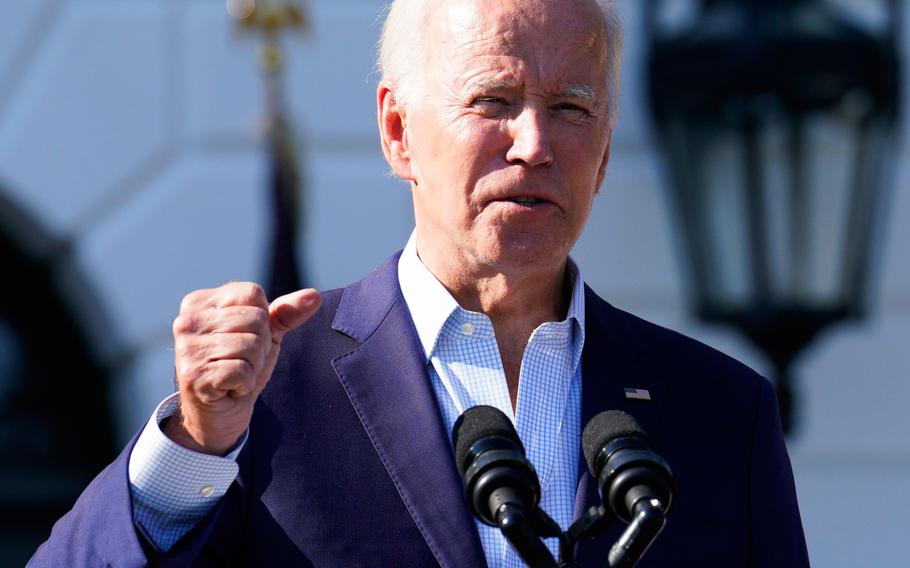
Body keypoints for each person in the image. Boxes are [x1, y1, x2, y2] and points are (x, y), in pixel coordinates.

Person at [29, 0, 810, 566]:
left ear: (604, 155)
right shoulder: (271, 393)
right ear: (398, 132)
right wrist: (194, 447)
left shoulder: (723, 414)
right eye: (494, 102)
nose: (534, 144)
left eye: (572, 108)